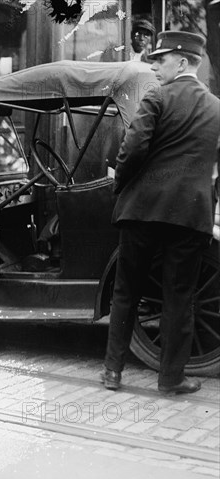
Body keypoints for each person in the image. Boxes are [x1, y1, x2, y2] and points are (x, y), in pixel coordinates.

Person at [102, 31, 220, 394]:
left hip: (143, 210)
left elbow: (132, 149)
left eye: (161, 60)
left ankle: (113, 373)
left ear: (183, 62)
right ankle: (170, 379)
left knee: (126, 292)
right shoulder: (217, 107)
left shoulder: (156, 96)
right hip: (190, 215)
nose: (154, 66)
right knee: (180, 298)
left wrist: (121, 186)